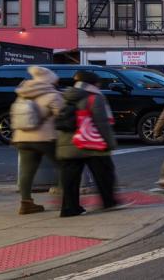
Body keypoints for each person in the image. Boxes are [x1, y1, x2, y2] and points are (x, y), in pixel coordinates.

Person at [56, 70, 121, 217]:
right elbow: (101, 123)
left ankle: (69, 208)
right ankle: (108, 201)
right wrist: (110, 143)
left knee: (70, 179)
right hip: (91, 144)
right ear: (93, 83)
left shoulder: (65, 96)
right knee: (104, 173)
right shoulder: (95, 98)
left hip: (68, 144)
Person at [11, 66, 65, 214]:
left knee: (27, 171)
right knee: (64, 165)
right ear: (50, 81)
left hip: (21, 137)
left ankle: (26, 203)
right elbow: (63, 116)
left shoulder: (23, 93)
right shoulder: (53, 95)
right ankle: (64, 200)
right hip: (45, 138)